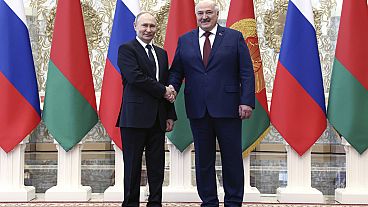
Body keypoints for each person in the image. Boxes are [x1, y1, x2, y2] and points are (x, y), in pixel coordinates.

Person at [168, 1, 255, 206]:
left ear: (217, 14)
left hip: (229, 108)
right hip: (198, 109)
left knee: (232, 159)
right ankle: (209, 201)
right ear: (195, 15)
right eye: (200, 13)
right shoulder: (185, 40)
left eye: (209, 13)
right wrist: (171, 88)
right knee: (203, 160)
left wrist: (247, 101)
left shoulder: (234, 37)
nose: (204, 17)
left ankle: (233, 201)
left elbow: (246, 71)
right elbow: (176, 71)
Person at [116, 11, 177, 207]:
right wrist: (164, 91)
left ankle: (155, 203)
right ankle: (131, 204)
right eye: (144, 26)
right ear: (135, 26)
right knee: (133, 167)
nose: (148, 30)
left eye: (152, 26)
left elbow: (166, 82)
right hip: (134, 118)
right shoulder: (126, 49)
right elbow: (135, 77)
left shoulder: (161, 53)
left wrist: (170, 114)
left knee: (157, 167)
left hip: (158, 118)